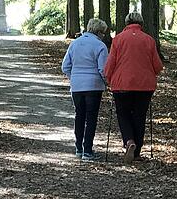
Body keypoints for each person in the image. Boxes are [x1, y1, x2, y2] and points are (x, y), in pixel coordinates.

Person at [103, 11, 163, 163]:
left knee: (123, 114)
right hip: (144, 85)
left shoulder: (118, 39)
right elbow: (157, 65)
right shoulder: (149, 40)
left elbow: (111, 63)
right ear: (141, 23)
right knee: (139, 116)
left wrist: (109, 78)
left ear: (126, 23)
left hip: (122, 84)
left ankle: (129, 141)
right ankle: (137, 152)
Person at [61, 18, 109, 161]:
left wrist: (74, 77)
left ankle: (78, 148)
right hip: (93, 86)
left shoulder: (74, 44)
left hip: (76, 86)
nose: (104, 36)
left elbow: (65, 66)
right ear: (99, 32)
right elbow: (103, 69)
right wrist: (107, 83)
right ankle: (87, 150)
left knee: (79, 115)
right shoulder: (100, 46)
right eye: (104, 33)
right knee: (91, 118)